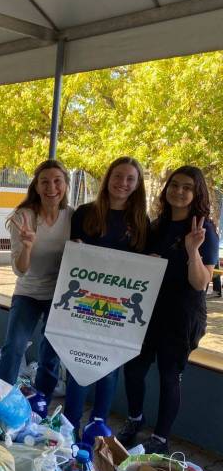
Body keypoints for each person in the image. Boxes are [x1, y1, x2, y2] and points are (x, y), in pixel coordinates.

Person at [117, 166, 218, 454]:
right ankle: (135, 419)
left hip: (182, 315)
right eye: (174, 185)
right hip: (148, 311)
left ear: (197, 193)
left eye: (187, 187)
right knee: (133, 369)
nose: (179, 191)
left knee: (169, 375)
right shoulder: (157, 225)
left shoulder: (204, 229)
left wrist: (192, 251)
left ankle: (160, 439)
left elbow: (200, 283)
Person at [64, 156, 149, 436]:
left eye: (130, 179)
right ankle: (69, 427)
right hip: (83, 305)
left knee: (109, 369)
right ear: (108, 178)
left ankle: (97, 429)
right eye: (118, 176)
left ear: (137, 185)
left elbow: (142, 269)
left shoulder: (141, 221)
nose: (122, 183)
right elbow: (73, 259)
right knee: (77, 365)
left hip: (119, 310)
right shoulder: (85, 213)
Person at [0, 160, 73, 398]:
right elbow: (20, 270)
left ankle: (41, 404)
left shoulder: (72, 216)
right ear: (37, 187)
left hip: (59, 295)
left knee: (50, 354)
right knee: (14, 347)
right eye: (45, 182)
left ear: (66, 185)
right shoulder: (24, 217)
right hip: (28, 292)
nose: (52, 188)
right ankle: (1, 399)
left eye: (57, 181)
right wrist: (28, 247)